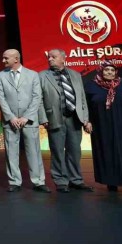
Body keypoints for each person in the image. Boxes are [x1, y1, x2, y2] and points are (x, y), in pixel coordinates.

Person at [84, 60, 122, 193]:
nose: (110, 73)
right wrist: (87, 121)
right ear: (100, 71)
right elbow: (85, 105)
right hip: (102, 127)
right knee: (107, 153)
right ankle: (111, 182)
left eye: (112, 70)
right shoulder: (91, 86)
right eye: (107, 70)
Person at [0, 49, 50, 193]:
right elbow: (1, 98)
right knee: (11, 152)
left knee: (34, 151)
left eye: (6, 58)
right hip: (10, 121)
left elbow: (36, 97)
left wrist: (26, 117)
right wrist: (11, 117)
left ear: (16, 58)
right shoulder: (0, 76)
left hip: (29, 120)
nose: (3, 61)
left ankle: (38, 181)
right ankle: (14, 181)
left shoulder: (32, 75)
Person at [39, 49, 93, 193]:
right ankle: (61, 181)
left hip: (74, 118)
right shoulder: (42, 75)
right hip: (55, 118)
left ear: (63, 58)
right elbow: (39, 99)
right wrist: (43, 118)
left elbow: (82, 97)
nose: (50, 59)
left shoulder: (75, 74)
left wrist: (86, 118)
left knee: (75, 151)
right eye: (49, 57)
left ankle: (76, 180)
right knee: (57, 151)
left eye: (54, 57)